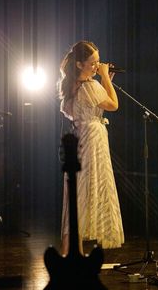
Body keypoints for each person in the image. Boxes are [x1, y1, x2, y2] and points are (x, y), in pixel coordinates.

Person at [58, 40, 124, 256]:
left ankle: (69, 252)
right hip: (93, 141)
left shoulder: (71, 86)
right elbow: (113, 105)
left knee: (78, 195)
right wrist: (105, 77)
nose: (97, 65)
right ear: (79, 64)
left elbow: (88, 104)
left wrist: (105, 81)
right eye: (93, 62)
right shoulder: (91, 86)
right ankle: (73, 252)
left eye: (98, 62)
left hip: (80, 139)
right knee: (89, 191)